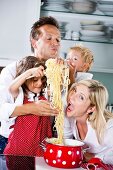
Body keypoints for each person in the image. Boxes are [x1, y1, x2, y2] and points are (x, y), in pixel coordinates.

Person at [0, 16, 60, 153]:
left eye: (58, 40)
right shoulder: (12, 71)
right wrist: (32, 108)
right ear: (34, 42)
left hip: (44, 140)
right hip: (11, 140)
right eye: (49, 38)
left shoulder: (58, 74)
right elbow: (1, 109)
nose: (55, 43)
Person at [4, 56, 52, 156]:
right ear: (25, 79)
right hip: (19, 150)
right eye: (34, 80)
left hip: (41, 150)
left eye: (42, 79)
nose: (39, 83)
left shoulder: (45, 94)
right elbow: (11, 88)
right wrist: (29, 72)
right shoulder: (20, 95)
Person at [64, 79, 113, 165]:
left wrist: (94, 157)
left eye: (81, 97)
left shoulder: (108, 127)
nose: (71, 97)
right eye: (74, 90)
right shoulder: (70, 117)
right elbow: (65, 141)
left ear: (91, 108)